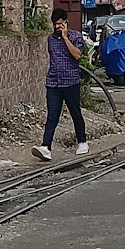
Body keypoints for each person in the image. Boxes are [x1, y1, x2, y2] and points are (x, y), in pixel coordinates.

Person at [32, 9, 88, 161]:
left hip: (71, 82)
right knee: (52, 116)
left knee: (75, 113)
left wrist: (65, 38)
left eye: (60, 24)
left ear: (65, 22)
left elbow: (77, 55)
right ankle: (45, 147)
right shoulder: (50, 39)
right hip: (54, 83)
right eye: (55, 24)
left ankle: (82, 142)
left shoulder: (76, 37)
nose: (57, 27)